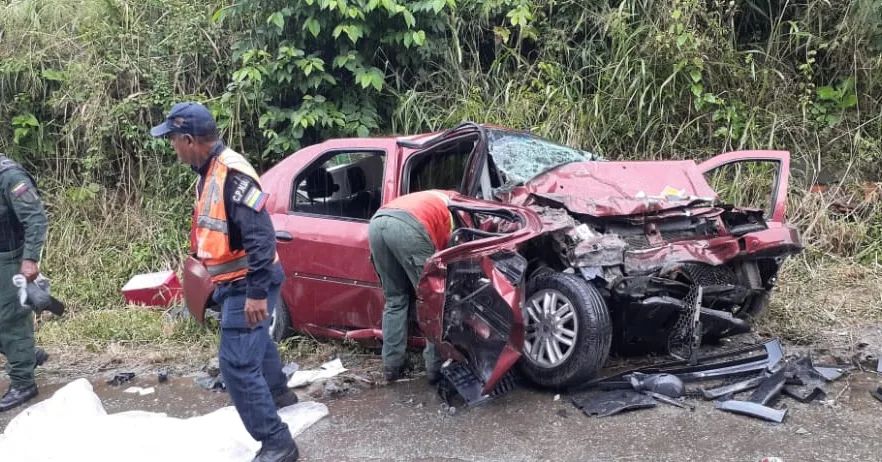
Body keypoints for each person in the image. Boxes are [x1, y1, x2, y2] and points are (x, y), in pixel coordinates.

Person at [150, 102, 299, 462]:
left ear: (189, 140)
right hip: (236, 281)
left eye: (173, 139)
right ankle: (280, 395)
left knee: (236, 365)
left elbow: (262, 237)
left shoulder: (232, 175)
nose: (172, 146)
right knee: (258, 342)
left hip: (247, 283)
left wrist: (256, 294)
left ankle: (277, 442)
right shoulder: (209, 170)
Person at [368, 189, 457, 383]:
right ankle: (435, 367)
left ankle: (392, 366)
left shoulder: (432, 197)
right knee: (432, 302)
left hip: (377, 223)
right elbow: (448, 249)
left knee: (395, 299)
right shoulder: (456, 206)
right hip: (409, 228)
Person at [0, 153, 48, 412]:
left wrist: (29, 259)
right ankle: (26, 355)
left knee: (10, 320)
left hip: (10, 259)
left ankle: (23, 382)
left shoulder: (10, 177)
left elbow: (35, 218)